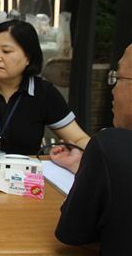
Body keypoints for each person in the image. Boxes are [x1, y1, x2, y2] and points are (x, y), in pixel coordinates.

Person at [0, 20, 90, 155]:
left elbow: (79, 138)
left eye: (6, 51)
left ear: (28, 58)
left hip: (27, 174)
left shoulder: (43, 92)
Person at [53, 44, 132, 255]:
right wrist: (87, 166)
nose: (113, 89)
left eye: (117, 78)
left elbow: (71, 233)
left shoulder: (111, 145)